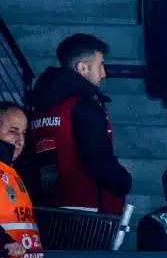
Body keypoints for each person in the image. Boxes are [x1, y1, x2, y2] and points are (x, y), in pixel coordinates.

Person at [24, 35, 130, 214]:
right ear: (82, 68)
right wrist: (123, 182)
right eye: (101, 65)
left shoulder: (39, 107)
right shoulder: (83, 105)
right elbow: (98, 160)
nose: (104, 73)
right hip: (88, 209)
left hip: (46, 206)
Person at [0, 104, 42, 258]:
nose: (20, 140)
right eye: (13, 131)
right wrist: (3, 242)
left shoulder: (15, 172)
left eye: (24, 132)